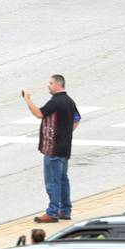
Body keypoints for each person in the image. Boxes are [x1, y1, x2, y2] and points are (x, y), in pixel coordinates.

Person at [24, 75, 80, 224]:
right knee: (63, 179)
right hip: (65, 148)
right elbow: (76, 119)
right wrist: (66, 133)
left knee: (53, 181)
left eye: (50, 83)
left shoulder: (56, 102)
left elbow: (39, 113)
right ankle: (65, 210)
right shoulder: (69, 101)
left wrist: (27, 99)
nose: (48, 86)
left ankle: (52, 212)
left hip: (53, 148)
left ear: (58, 85)